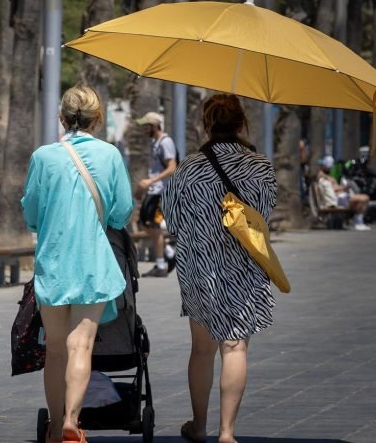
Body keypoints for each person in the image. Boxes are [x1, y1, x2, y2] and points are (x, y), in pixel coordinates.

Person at [21, 84, 134, 443]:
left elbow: (31, 213)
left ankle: (55, 426)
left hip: (53, 263)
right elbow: (121, 212)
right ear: (98, 118)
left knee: (54, 349)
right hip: (92, 263)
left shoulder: (43, 157)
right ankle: (73, 420)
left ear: (61, 117)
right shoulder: (110, 155)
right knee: (81, 346)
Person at [162, 93, 277, 443]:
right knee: (235, 347)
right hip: (243, 267)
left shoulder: (190, 167)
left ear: (207, 124)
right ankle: (227, 432)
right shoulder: (260, 166)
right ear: (242, 123)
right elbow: (264, 216)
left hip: (200, 267)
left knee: (202, 349)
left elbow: (171, 218)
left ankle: (199, 427)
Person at [135, 111, 177, 277]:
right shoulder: (156, 143)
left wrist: (150, 181)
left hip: (161, 192)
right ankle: (169, 254)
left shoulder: (166, 142)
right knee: (144, 224)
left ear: (154, 126)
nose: (144, 129)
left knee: (153, 226)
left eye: (146, 126)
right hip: (154, 191)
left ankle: (161, 265)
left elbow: (172, 167)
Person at [316, 155, 371, 231]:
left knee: (361, 201)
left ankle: (358, 222)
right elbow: (331, 189)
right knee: (364, 198)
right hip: (339, 199)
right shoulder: (323, 177)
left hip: (342, 197)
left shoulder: (326, 177)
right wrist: (344, 188)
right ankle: (358, 223)